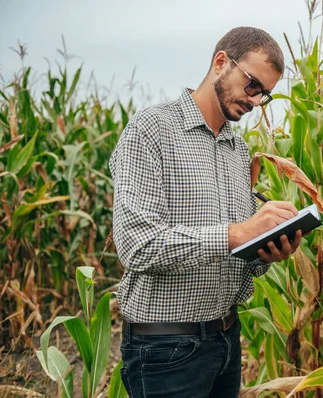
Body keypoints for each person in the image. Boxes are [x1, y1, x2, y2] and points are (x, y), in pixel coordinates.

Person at [109, 27, 303, 397]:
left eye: (265, 94)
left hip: (226, 340)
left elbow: (239, 254)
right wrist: (236, 233)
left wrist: (268, 250)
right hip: (166, 350)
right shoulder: (152, 130)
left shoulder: (237, 149)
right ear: (220, 63)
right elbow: (136, 245)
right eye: (252, 86)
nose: (256, 102)